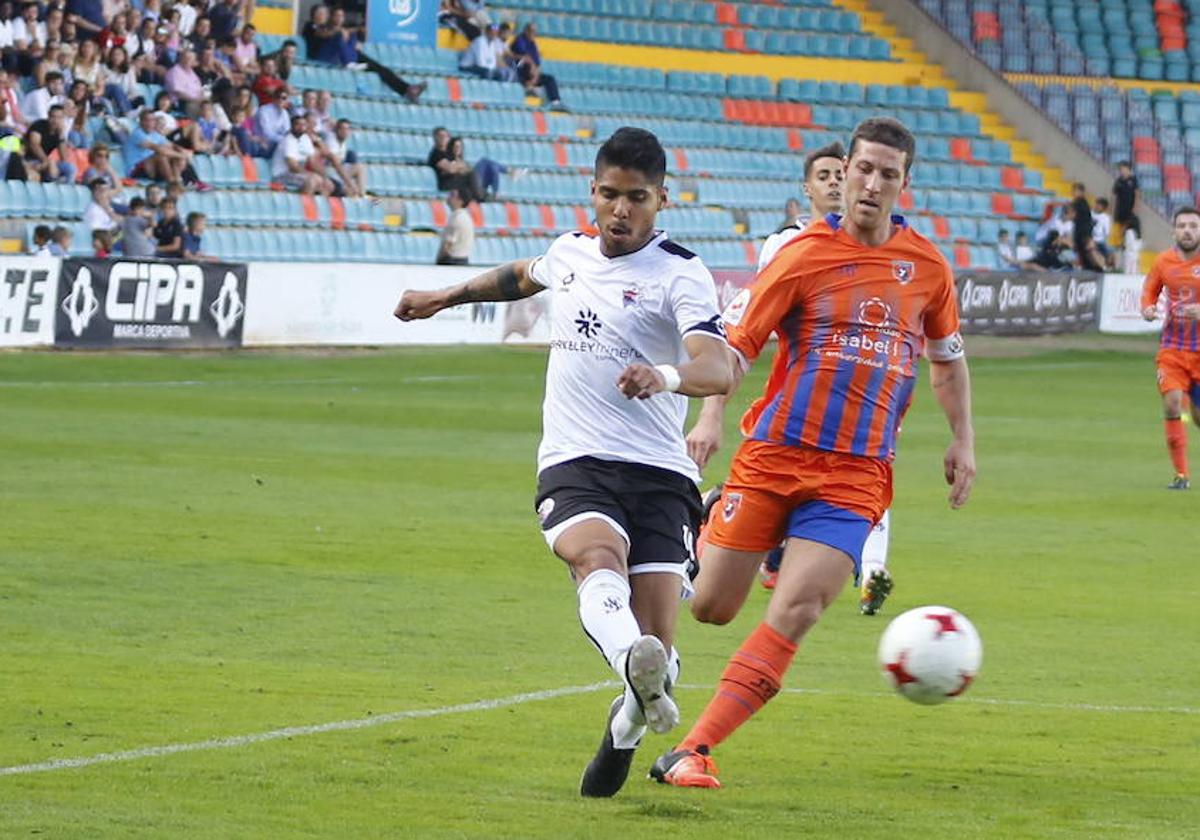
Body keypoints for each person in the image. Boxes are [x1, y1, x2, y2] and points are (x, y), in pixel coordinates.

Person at [395, 126, 732, 799]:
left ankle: (632, 714)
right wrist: (444, 297)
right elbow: (521, 276)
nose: (620, 210)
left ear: (662, 200)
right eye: (609, 195)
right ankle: (628, 664)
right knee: (593, 560)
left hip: (661, 473)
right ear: (592, 191)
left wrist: (663, 376)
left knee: (661, 657)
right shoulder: (570, 252)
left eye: (636, 197)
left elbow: (716, 366)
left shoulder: (680, 272)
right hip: (576, 461)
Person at [650, 117, 975, 789]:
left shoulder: (929, 269)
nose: (872, 183)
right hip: (773, 457)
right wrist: (700, 407)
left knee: (796, 610)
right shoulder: (799, 256)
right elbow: (735, 350)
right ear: (844, 172)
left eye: (889, 173)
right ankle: (708, 516)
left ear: (905, 183)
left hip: (856, 475)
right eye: (864, 169)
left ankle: (695, 749)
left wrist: (962, 439)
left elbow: (947, 361)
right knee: (711, 606)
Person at [1140, 206, 1200, 491]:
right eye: (1182, 226)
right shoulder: (1164, 262)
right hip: (1172, 349)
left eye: (1193, 226)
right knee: (1172, 403)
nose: (1187, 230)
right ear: (1174, 230)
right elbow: (1149, 290)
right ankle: (1181, 475)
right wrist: (1148, 308)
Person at [271, 112, 333, 196]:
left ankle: (317, 208)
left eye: (303, 125)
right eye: (298, 125)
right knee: (311, 180)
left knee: (327, 184)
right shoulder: (288, 140)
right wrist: (310, 174)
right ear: (292, 126)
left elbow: (312, 162)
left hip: (295, 174)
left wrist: (325, 177)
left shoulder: (305, 139)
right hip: (281, 175)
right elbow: (293, 166)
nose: (301, 127)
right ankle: (304, 208)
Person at [509, 22, 564, 109]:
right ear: (525, 31)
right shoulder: (520, 40)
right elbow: (525, 57)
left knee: (549, 79)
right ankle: (525, 85)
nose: (533, 34)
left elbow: (537, 63)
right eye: (531, 31)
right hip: (518, 69)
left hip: (531, 75)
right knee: (523, 62)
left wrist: (534, 79)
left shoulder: (533, 44)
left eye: (535, 32)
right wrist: (532, 66)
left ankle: (555, 102)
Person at [435, 188, 474, 265]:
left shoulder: (456, 219)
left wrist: (439, 260)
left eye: (452, 195)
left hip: (452, 260)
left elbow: (447, 245)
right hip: (463, 259)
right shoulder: (466, 217)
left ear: (460, 201)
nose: (449, 197)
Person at [1112, 159, 1139, 241]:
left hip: (1129, 206)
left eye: (1123, 168)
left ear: (1128, 168)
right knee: (1120, 223)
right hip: (1120, 206)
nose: (1122, 171)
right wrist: (1113, 207)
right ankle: (1121, 240)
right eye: (1120, 169)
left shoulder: (1133, 179)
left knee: (1127, 224)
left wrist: (1135, 206)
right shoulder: (1119, 180)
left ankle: (1123, 240)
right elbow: (1115, 195)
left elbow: (1137, 194)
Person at [1092, 197, 1114, 269]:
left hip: (1100, 240)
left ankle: (1108, 268)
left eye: (1099, 205)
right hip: (1090, 239)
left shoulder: (1106, 218)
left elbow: (1107, 232)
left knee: (1111, 252)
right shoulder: (1089, 213)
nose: (1096, 206)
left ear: (1103, 208)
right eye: (1096, 204)